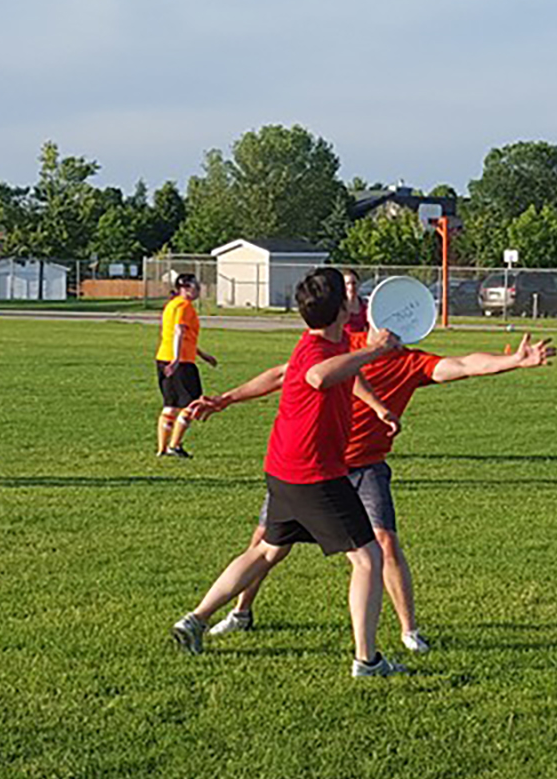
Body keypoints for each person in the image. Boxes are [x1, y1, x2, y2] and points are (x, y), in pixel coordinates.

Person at [192, 332, 556, 652]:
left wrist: (513, 361)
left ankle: (408, 631)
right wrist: (226, 398)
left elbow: (463, 364)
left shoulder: (412, 362)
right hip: (314, 466)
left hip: (363, 466)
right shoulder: (343, 346)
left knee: (383, 544)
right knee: (267, 544)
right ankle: (242, 613)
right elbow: (285, 374)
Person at [168, 267, 409, 679]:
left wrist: (226, 398)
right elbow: (318, 377)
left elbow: (283, 375)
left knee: (267, 551)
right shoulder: (321, 355)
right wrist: (375, 350)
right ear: (341, 308)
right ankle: (368, 661)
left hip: (283, 469)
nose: (357, 297)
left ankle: (195, 620)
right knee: (368, 558)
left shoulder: (314, 343)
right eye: (350, 293)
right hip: (316, 474)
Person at [155, 273, 218, 458]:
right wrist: (176, 360)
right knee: (191, 403)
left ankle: (162, 448)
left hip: (163, 357)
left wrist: (202, 354)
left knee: (170, 404)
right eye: (195, 286)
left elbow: (184, 338)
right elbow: (179, 333)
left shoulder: (171, 305)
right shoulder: (184, 306)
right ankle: (175, 445)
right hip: (180, 362)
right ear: (185, 288)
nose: (198, 290)